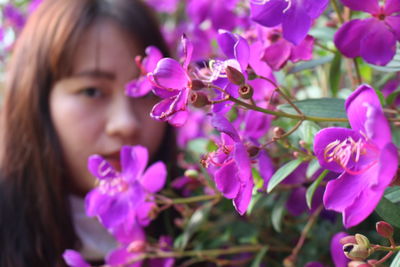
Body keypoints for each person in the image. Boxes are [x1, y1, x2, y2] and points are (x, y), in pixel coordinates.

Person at [0, 0, 176, 266]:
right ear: (36, 101)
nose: (126, 123)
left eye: (148, 92)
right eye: (92, 91)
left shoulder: (208, 228)